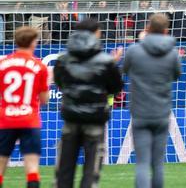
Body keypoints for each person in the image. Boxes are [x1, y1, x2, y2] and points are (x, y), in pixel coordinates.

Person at [54, 17, 124, 188]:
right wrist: (112, 65)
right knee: (91, 171)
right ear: (96, 33)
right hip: (95, 119)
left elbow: (60, 83)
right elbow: (115, 88)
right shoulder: (105, 61)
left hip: (71, 117)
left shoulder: (63, 59)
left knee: (64, 169)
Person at [122, 13, 181, 188]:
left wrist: (142, 41)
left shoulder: (134, 50)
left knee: (142, 162)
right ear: (166, 30)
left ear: (147, 28)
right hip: (161, 113)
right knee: (158, 164)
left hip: (140, 112)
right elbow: (177, 75)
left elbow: (125, 70)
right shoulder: (172, 54)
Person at [0, 26, 49, 188]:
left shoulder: (2, 64)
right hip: (29, 120)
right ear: (33, 43)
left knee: (1, 166)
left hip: (6, 120)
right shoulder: (39, 66)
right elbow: (44, 100)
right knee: (32, 168)